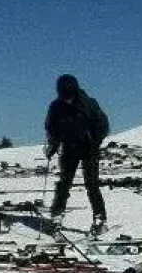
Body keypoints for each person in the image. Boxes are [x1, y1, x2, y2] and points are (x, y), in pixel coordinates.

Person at [44, 74, 109, 232]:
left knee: (92, 184)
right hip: (69, 147)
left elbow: (103, 125)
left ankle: (100, 218)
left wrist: (95, 141)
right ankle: (57, 216)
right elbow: (52, 128)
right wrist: (52, 146)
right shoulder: (56, 107)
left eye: (69, 96)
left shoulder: (88, 104)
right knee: (64, 183)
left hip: (89, 147)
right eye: (63, 96)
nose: (66, 99)